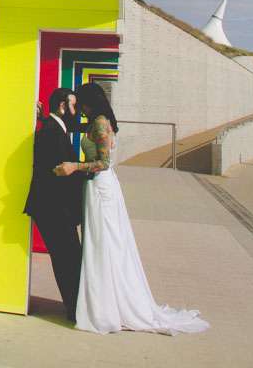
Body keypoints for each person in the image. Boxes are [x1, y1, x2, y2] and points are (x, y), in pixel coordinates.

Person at [53, 82, 210, 335]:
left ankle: (107, 308)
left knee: (105, 244)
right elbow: (70, 126)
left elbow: (103, 163)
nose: (78, 108)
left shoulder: (100, 123)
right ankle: (106, 303)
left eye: (79, 102)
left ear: (88, 101)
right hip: (95, 188)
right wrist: (47, 114)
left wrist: (74, 166)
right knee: (101, 244)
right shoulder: (95, 122)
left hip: (101, 188)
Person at [23, 88, 85, 322]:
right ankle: (75, 310)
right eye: (73, 106)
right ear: (62, 106)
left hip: (54, 207)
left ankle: (74, 307)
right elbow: (57, 175)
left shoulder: (53, 128)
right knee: (68, 260)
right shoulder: (52, 132)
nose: (76, 111)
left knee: (66, 258)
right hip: (55, 209)